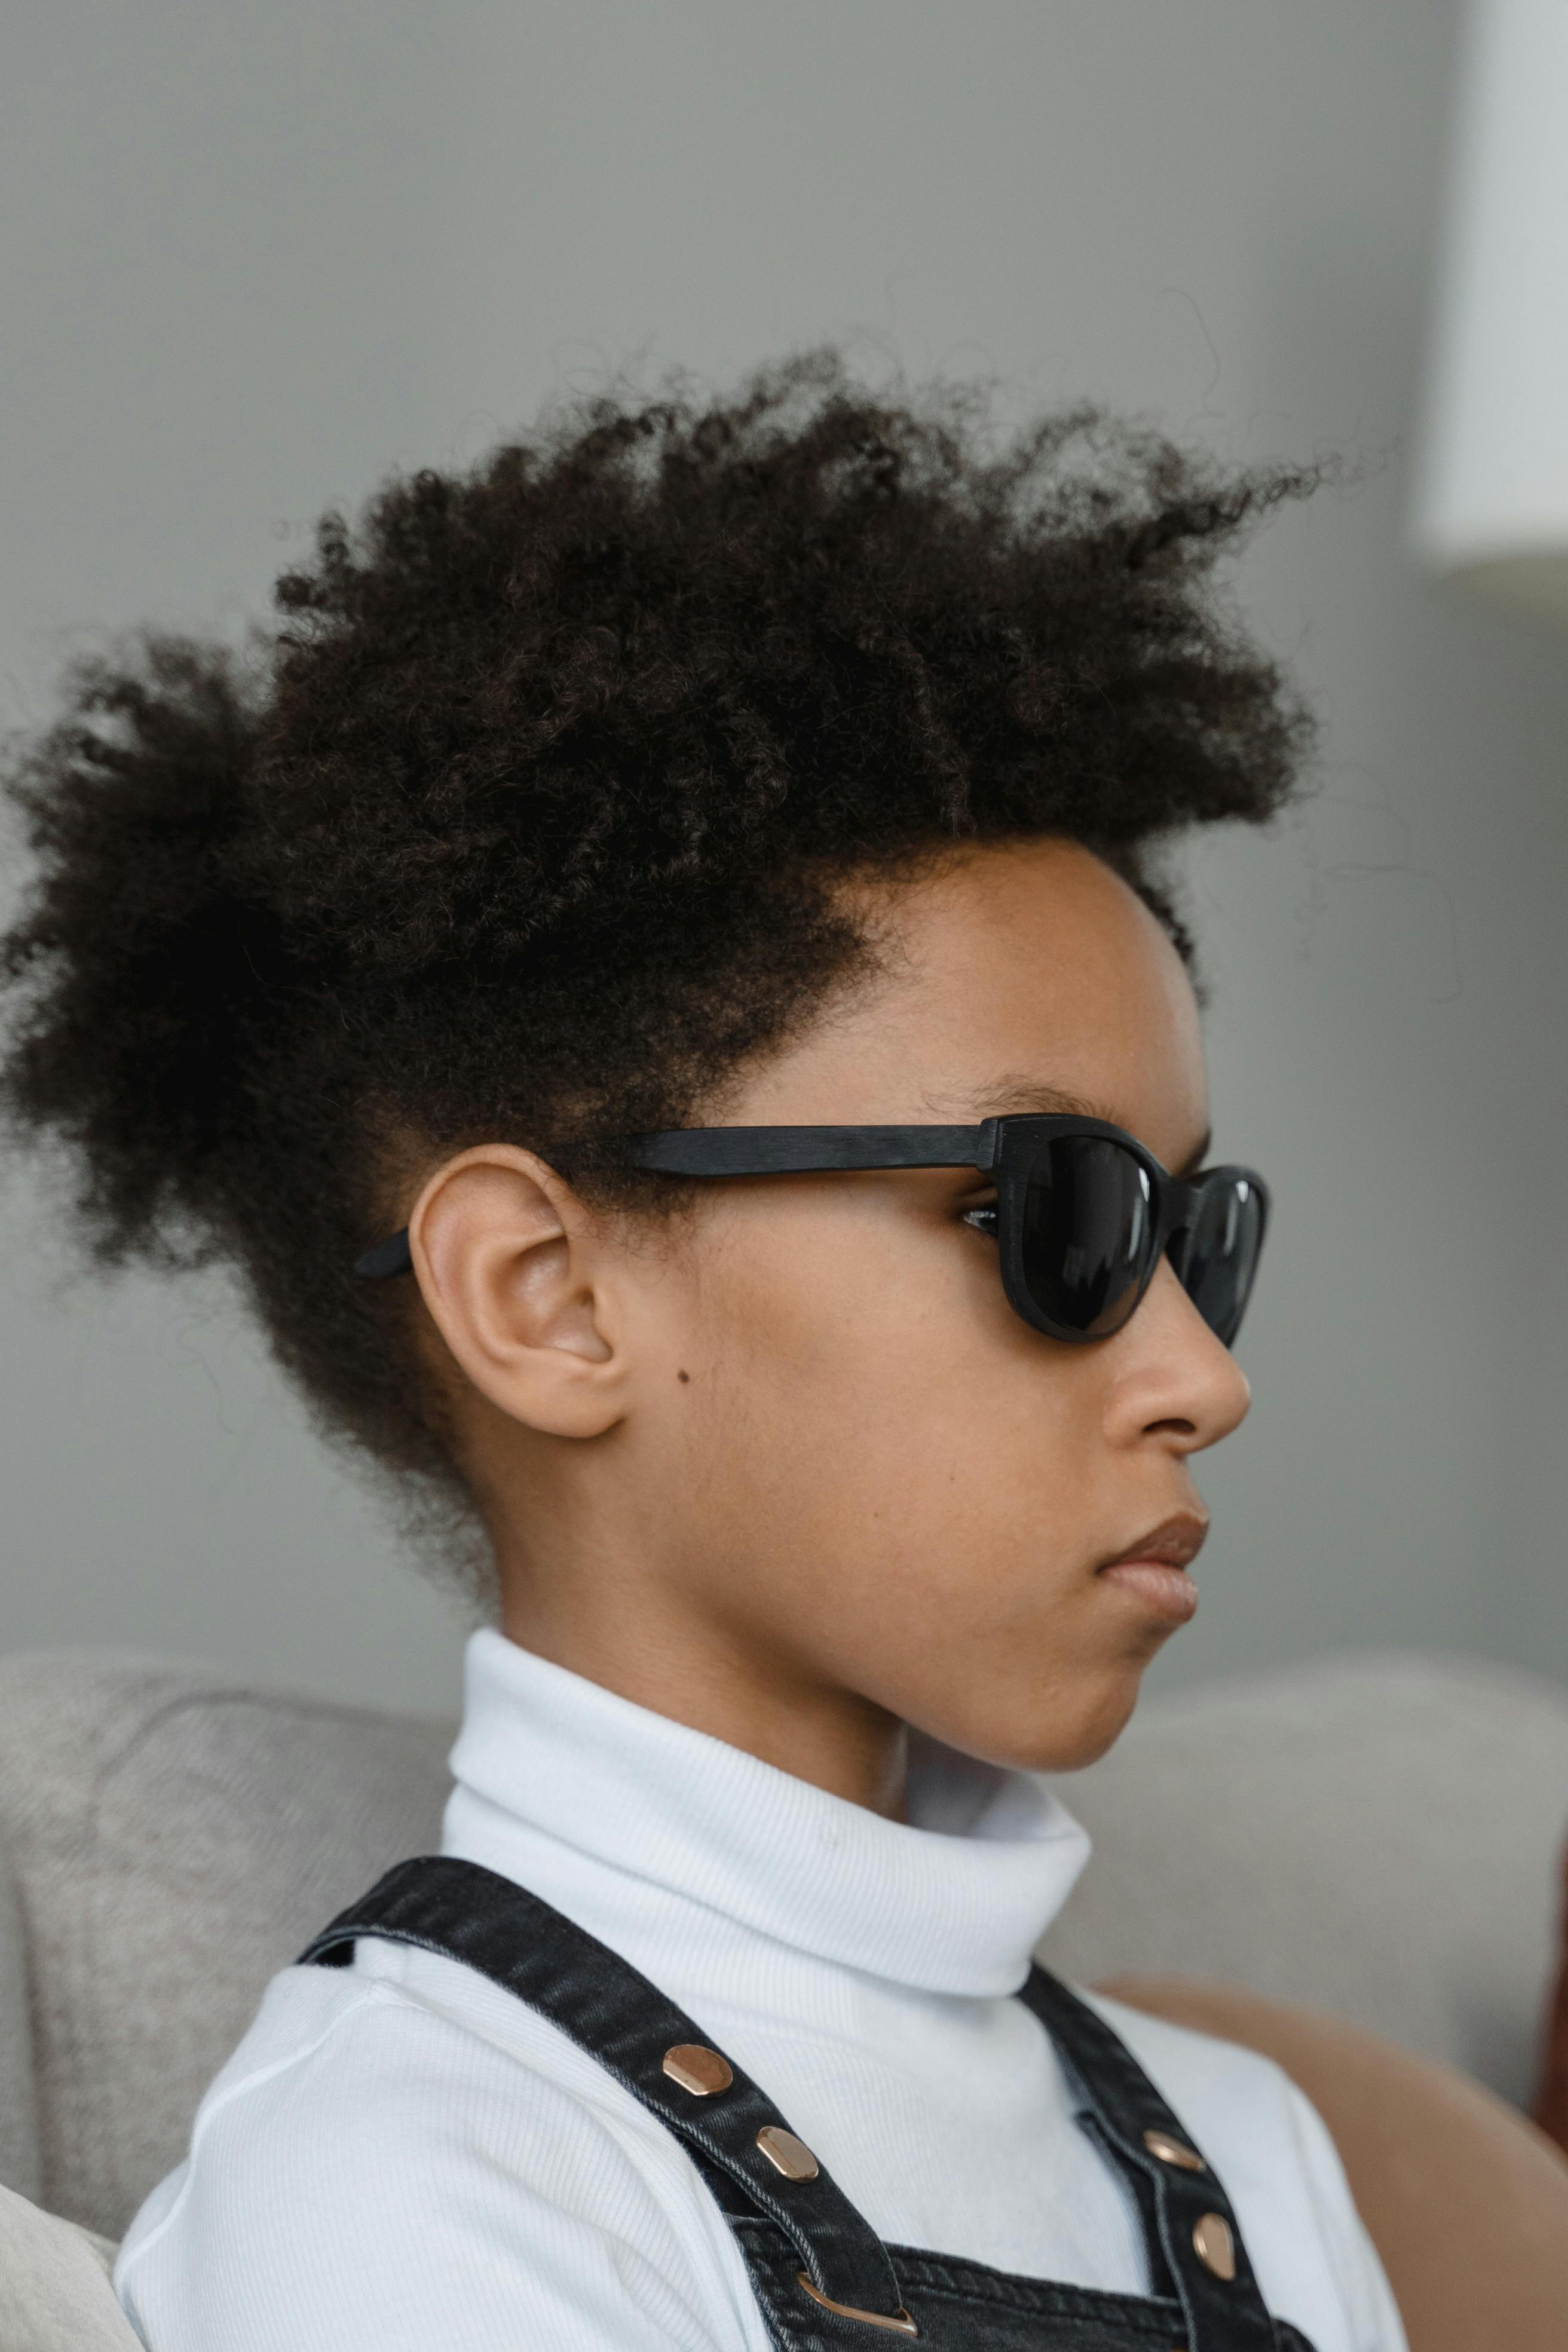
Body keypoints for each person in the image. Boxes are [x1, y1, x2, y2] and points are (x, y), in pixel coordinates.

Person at [0, 356, 1405, 2352]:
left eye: (1199, 1236)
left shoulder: (1247, 2161)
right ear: (547, 1297)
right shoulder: (420, 2190)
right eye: (1067, 1222)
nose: (1204, 1374)